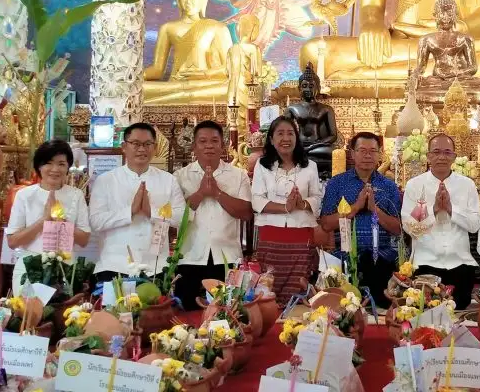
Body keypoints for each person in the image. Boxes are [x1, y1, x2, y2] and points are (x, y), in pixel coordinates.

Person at [90, 123, 187, 282]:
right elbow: (96, 222)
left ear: (155, 148)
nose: (142, 149)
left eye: (148, 144)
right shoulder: (105, 180)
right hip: (114, 266)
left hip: (156, 267)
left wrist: (152, 212)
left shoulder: (168, 180)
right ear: (124, 147)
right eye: (135, 143)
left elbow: (183, 218)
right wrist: (130, 211)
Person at [174, 120, 252, 309]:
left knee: (228, 313)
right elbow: (175, 217)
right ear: (194, 146)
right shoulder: (180, 176)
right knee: (188, 313)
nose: (209, 146)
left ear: (222, 145)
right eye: (203, 141)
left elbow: (246, 213)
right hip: (190, 256)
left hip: (227, 256)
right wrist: (200, 193)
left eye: (214, 141)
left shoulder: (238, 175)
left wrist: (217, 193)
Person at [320, 132, 402, 308]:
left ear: (380, 154)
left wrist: (374, 209)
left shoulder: (389, 186)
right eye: (362, 150)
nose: (367, 155)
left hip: (380, 257)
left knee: (381, 305)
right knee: (344, 308)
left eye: (372, 151)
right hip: (344, 256)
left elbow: (398, 229)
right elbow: (326, 224)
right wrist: (355, 207)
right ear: (352, 153)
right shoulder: (337, 183)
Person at [401, 133, 480, 309]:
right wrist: (434, 210)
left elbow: (474, 225)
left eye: (447, 152)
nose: (442, 157)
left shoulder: (467, 185)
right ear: (428, 156)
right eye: (436, 152)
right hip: (425, 263)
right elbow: (410, 228)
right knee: (426, 313)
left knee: (458, 313)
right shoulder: (415, 185)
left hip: (460, 263)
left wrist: (452, 210)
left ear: (454, 157)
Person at [252, 116, 323, 305]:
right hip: (270, 234)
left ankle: (295, 320)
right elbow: (257, 200)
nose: (286, 138)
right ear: (271, 139)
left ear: (297, 137)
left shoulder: (310, 166)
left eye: (290, 133)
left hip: (301, 234)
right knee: (268, 287)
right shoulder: (262, 165)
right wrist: (285, 207)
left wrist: (302, 204)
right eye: (280, 134)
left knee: (297, 288)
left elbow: (317, 198)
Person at [7, 140, 91, 295]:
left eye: (61, 164)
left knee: (65, 310)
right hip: (31, 267)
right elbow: (12, 241)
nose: (55, 169)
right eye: (49, 163)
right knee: (27, 310)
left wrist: (62, 222)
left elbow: (84, 240)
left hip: (65, 268)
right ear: (39, 166)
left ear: (68, 167)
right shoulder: (24, 195)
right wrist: (44, 221)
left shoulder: (76, 195)